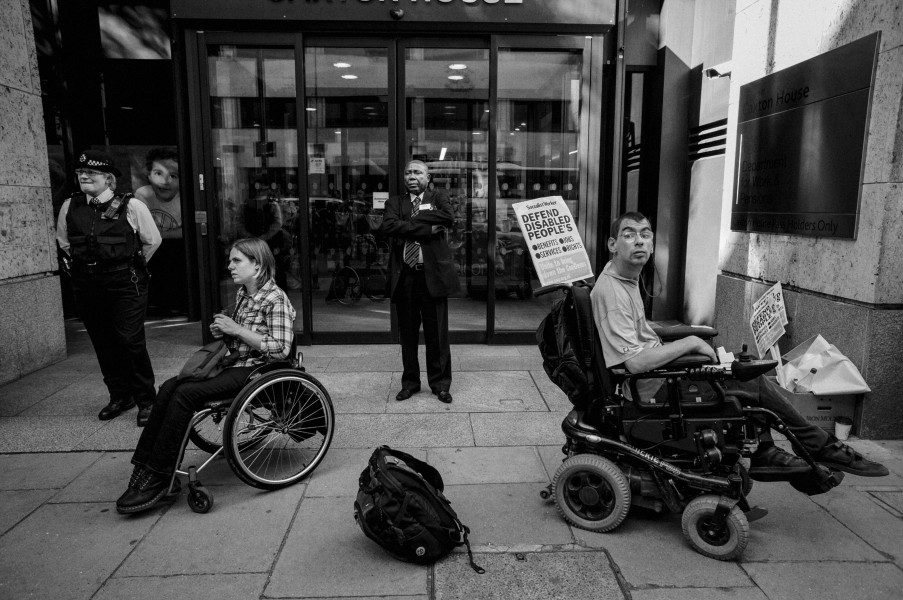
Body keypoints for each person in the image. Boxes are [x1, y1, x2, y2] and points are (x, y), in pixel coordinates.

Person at [591, 211, 888, 478]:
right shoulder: (613, 294)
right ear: (612, 244)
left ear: (653, 244)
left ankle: (771, 449)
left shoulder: (625, 279)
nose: (639, 241)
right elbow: (635, 363)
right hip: (649, 387)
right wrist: (689, 343)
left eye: (645, 235)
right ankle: (814, 446)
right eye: (629, 235)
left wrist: (680, 338)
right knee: (751, 382)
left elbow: (635, 336)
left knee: (743, 373)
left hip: (656, 376)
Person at [116, 238, 296, 514]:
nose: (230, 266)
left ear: (257, 266)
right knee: (167, 388)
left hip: (257, 371)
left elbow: (281, 350)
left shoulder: (275, 298)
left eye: (237, 261)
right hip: (235, 362)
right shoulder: (243, 294)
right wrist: (225, 331)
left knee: (186, 395)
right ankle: (145, 467)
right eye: (230, 260)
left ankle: (159, 475)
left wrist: (236, 329)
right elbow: (240, 338)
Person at [56, 150, 162, 426]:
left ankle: (147, 401)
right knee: (104, 342)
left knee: (130, 340)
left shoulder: (132, 205)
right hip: (88, 285)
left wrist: (128, 265)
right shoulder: (71, 206)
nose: (84, 176)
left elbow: (152, 241)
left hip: (125, 283)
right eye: (80, 173)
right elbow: (65, 243)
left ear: (108, 178)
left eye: (91, 173)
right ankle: (120, 396)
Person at [380, 161, 459, 404]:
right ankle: (410, 383)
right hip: (406, 277)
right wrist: (426, 227)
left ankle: (440, 384)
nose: (412, 176)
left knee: (438, 335)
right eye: (408, 172)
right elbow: (389, 226)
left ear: (427, 176)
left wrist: (414, 220)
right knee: (409, 335)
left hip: (433, 276)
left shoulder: (439, 196)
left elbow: (448, 216)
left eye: (417, 172)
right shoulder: (395, 202)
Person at [134, 147, 187, 315]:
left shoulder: (185, 197)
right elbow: (143, 229)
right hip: (156, 246)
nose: (165, 181)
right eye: (158, 173)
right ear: (148, 175)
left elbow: (188, 232)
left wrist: (160, 234)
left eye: (173, 176)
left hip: (178, 247)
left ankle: (179, 304)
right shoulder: (143, 194)